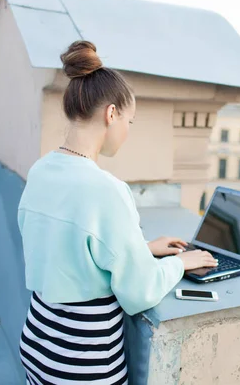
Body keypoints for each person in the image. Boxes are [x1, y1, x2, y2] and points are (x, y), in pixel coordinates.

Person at [17, 41, 218, 384]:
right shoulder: (107, 189)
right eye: (129, 120)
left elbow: (67, 246)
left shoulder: (41, 171)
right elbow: (139, 293)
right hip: (82, 363)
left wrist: (143, 249)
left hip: (38, 343)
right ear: (111, 114)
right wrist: (179, 263)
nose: (127, 131)